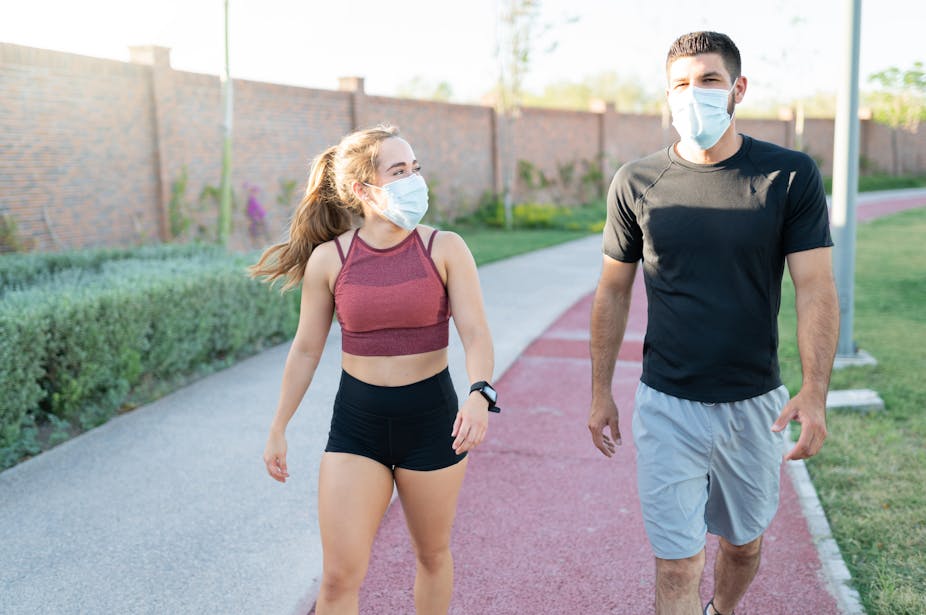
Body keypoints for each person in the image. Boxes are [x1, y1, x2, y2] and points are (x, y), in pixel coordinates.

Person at [587, 31, 839, 615]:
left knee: (743, 546)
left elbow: (816, 288)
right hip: (667, 402)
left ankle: (720, 610)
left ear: (737, 89)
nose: (693, 94)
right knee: (677, 561)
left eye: (708, 81)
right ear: (667, 94)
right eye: (681, 83)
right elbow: (612, 290)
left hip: (755, 402)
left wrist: (816, 392)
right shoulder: (635, 181)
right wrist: (600, 392)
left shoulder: (789, 176)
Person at [251, 124, 499, 615]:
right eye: (399, 171)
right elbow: (305, 350)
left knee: (431, 555)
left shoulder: (445, 248)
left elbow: (475, 333)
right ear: (363, 189)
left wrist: (480, 393)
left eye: (415, 169)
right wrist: (278, 426)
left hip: (432, 422)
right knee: (340, 576)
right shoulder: (331, 259)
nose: (414, 180)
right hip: (357, 426)